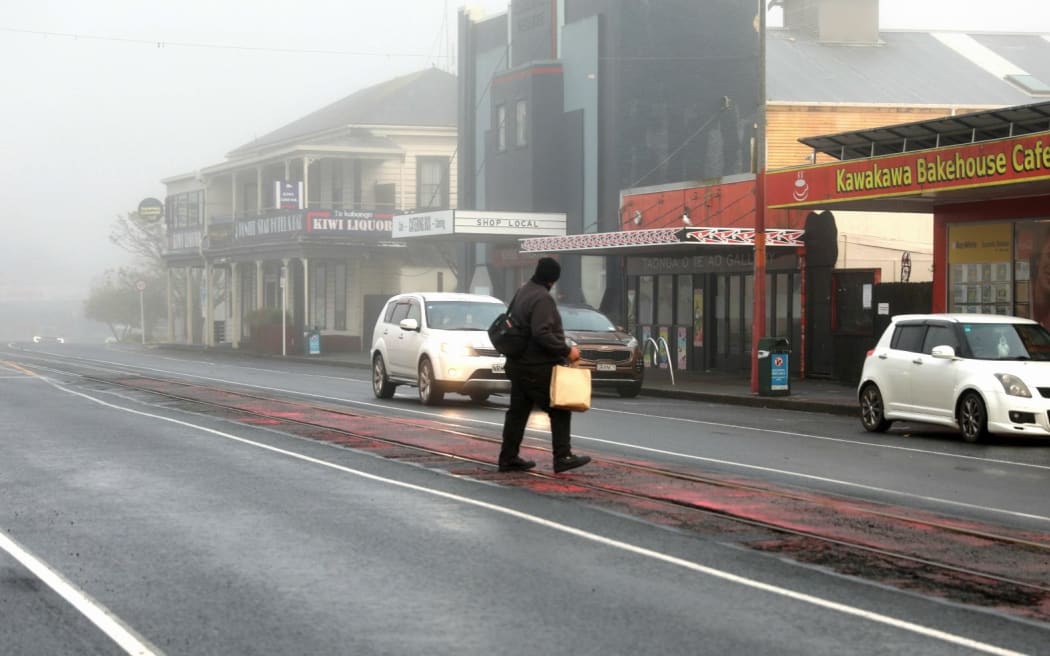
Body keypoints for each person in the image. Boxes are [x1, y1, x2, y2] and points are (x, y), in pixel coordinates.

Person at [498, 257, 591, 474]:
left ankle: (508, 457)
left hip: (518, 363)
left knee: (517, 413)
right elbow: (541, 333)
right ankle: (563, 456)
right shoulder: (542, 298)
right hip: (536, 366)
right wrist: (567, 350)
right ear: (553, 280)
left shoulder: (523, 291)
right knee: (559, 409)